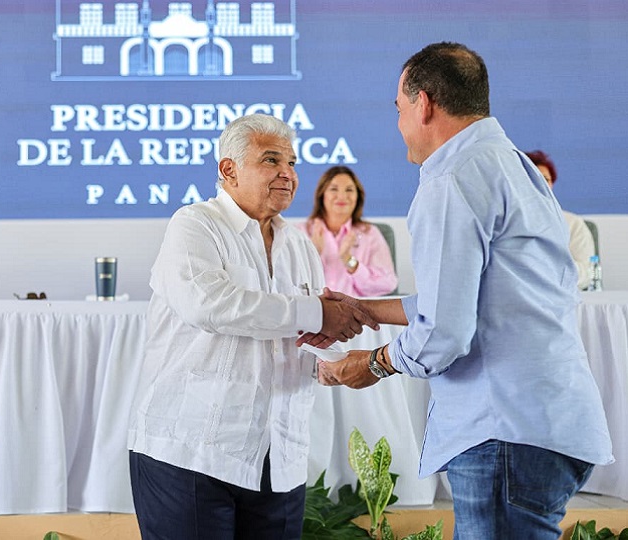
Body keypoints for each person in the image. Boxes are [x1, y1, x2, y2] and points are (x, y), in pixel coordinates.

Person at [300, 43, 613, 539]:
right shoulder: (512, 164)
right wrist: (364, 309)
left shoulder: (451, 177)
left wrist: (374, 362)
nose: (399, 125)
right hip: (543, 423)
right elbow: (480, 301)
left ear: (424, 104)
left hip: (503, 430)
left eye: (399, 110)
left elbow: (446, 330)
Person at [127, 113, 377, 540]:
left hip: (278, 457)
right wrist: (317, 313)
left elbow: (297, 340)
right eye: (271, 161)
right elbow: (211, 306)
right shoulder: (195, 224)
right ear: (229, 169)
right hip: (192, 454)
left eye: (293, 163)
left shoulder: (299, 244)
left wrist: (331, 364)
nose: (288, 174)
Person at [300, 166, 398, 296]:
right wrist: (312, 255)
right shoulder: (300, 232)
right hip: (312, 312)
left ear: (358, 197)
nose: (341, 196)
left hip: (354, 313)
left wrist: (349, 261)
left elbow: (388, 283)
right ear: (322, 195)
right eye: (334, 189)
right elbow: (287, 283)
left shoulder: (370, 234)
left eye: (349, 190)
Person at [525, 150, 596, 290]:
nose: (539, 185)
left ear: (552, 184)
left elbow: (587, 272)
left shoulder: (572, 223)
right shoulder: (505, 223)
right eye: (531, 178)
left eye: (545, 179)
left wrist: (549, 268)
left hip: (564, 299)